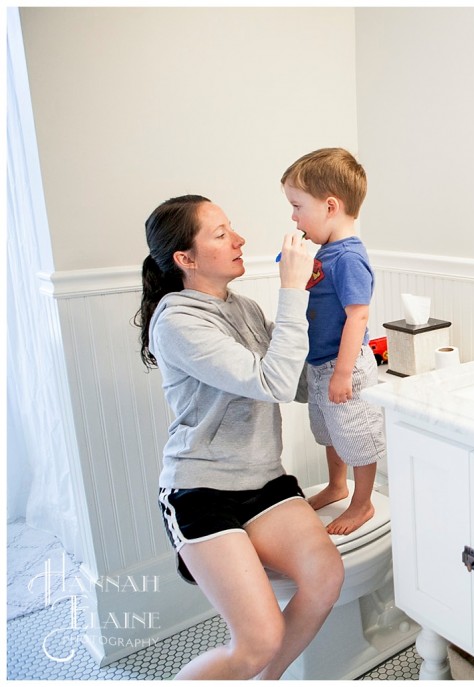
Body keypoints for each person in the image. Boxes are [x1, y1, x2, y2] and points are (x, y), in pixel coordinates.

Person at [135, 194, 344, 680]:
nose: (240, 239)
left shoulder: (244, 308)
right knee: (257, 642)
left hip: (262, 481)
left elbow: (290, 383)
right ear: (185, 259)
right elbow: (268, 381)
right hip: (201, 489)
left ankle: (265, 681)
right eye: (221, 233)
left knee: (325, 577)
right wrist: (291, 291)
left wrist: (339, 330)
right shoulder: (178, 320)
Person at [280, 148, 386, 536]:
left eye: (297, 206)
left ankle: (363, 503)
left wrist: (343, 374)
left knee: (356, 434)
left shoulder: (349, 257)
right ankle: (337, 485)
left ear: (329, 206)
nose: (293, 217)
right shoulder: (327, 252)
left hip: (345, 367)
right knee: (329, 430)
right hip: (320, 363)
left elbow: (358, 316)